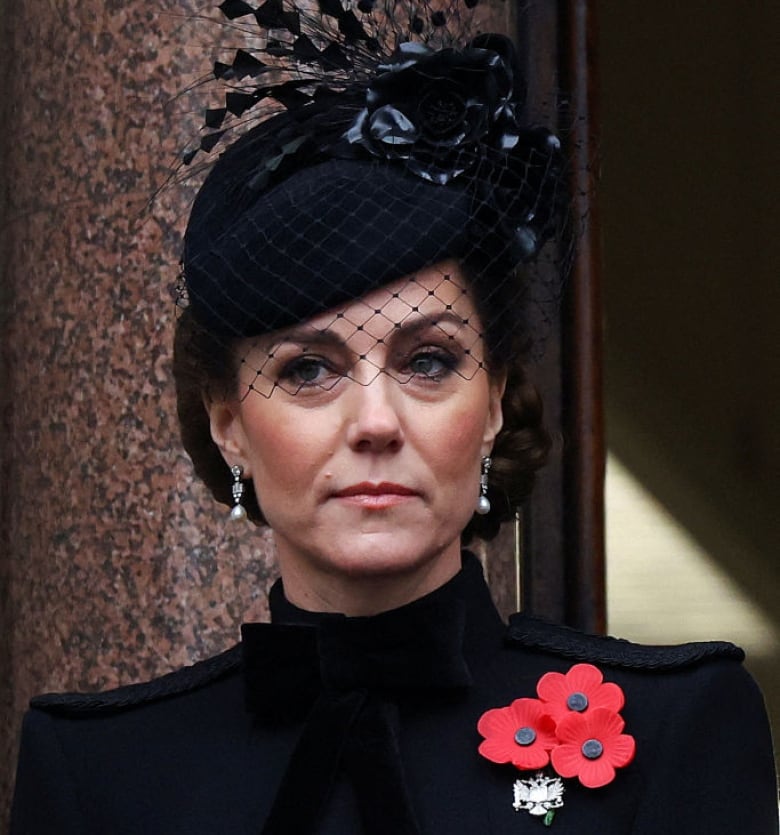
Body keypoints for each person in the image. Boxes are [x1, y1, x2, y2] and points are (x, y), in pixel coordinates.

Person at [11, 2, 778, 833]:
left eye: (427, 361)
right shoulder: (102, 771)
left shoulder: (672, 730)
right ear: (227, 420)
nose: (375, 420)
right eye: (309, 369)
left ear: (492, 403)